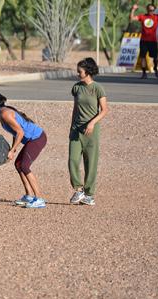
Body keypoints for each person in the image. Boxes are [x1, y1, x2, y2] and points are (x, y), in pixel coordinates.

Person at [0, 91, 47, 208]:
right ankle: (29, 196)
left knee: (24, 166)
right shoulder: (1, 113)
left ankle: (39, 199)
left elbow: (20, 132)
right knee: (18, 164)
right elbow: (15, 132)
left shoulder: (4, 114)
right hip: (30, 140)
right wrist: (14, 148)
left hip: (37, 138)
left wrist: (12, 150)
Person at [69, 57, 109, 206]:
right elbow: (75, 108)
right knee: (72, 159)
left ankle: (89, 194)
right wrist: (71, 126)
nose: (77, 73)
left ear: (87, 72)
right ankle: (78, 189)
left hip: (92, 130)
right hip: (76, 130)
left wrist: (92, 123)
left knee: (90, 162)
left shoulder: (98, 88)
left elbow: (105, 110)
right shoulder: (76, 87)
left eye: (80, 71)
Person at [130, 3, 158, 79]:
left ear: (154, 10)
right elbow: (132, 18)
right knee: (143, 57)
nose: (151, 12)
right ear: (147, 10)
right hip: (144, 41)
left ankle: (155, 68)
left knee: (155, 57)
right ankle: (144, 73)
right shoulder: (143, 16)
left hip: (153, 41)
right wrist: (133, 9)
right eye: (149, 10)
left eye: (152, 10)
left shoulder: (156, 17)